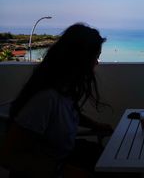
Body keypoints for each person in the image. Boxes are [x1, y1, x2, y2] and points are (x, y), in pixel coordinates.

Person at [1, 23, 113, 178]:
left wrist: (95, 125)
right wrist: (61, 171)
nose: (96, 63)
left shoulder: (63, 89)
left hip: (62, 157)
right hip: (45, 170)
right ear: (79, 59)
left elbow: (66, 113)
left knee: (109, 159)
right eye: (95, 57)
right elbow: (9, 156)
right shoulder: (45, 99)